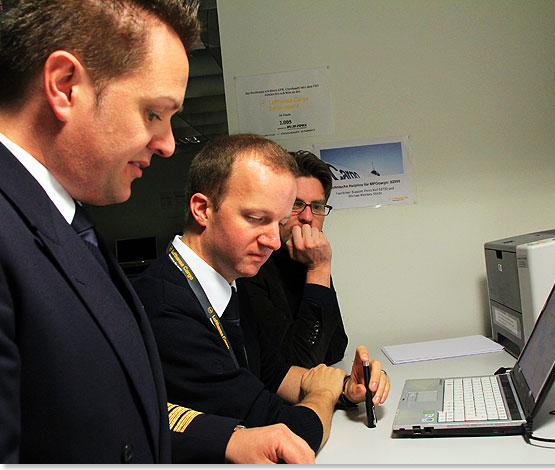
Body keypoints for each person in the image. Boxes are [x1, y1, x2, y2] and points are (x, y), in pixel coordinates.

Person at [0, 0, 313, 464]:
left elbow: (91, 416)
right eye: (153, 113)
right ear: (65, 86)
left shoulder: (65, 220)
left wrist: (225, 440)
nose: (168, 144)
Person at [133, 134, 390, 452]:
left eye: (279, 222)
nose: (272, 239)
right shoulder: (166, 308)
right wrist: (323, 394)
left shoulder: (226, 287)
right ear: (202, 209)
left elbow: (278, 374)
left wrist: (345, 386)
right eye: (256, 219)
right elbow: (292, 435)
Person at [237, 150, 347, 368]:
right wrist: (319, 269)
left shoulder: (309, 257)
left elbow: (335, 347)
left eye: (316, 206)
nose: (307, 217)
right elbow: (298, 364)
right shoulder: (250, 267)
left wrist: (317, 269)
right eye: (296, 204)